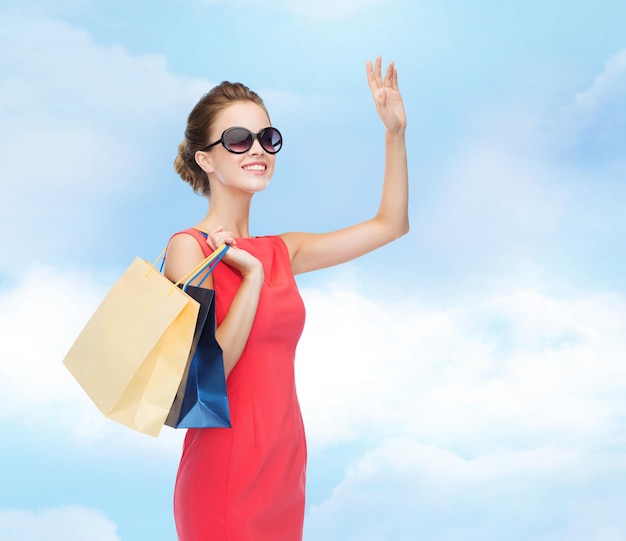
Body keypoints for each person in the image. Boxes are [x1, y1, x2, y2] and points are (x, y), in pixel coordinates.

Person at [164, 56, 408, 541]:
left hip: (285, 465)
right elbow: (206, 375)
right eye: (238, 139)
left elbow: (391, 225)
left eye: (267, 138)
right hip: (224, 470)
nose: (257, 150)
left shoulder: (282, 250)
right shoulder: (189, 248)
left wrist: (394, 133)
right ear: (205, 158)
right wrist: (250, 281)